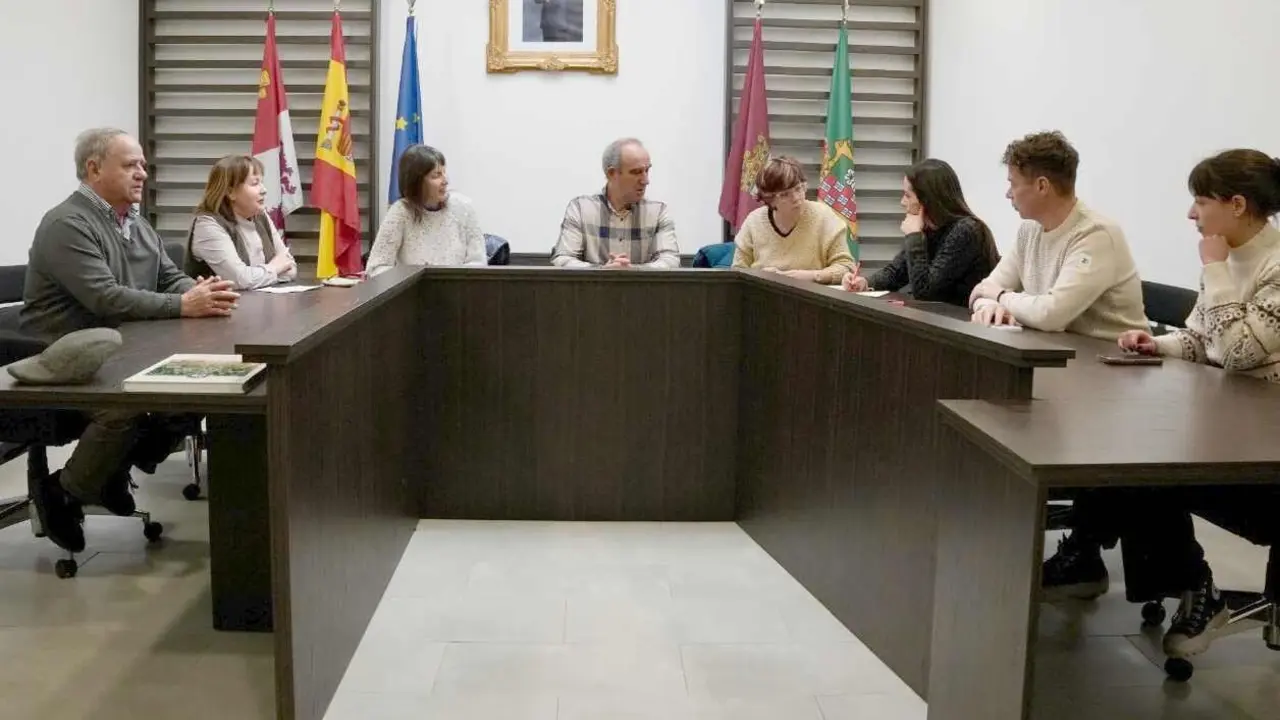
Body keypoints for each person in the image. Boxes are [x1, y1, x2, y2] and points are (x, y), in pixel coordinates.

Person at [1045, 150, 1280, 662]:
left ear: (1236, 204)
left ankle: (1172, 582)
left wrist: (1215, 271)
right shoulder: (1227, 259)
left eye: (1199, 202)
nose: (1191, 216)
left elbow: (1240, 353)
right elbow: (1203, 339)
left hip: (1265, 453)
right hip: (1227, 427)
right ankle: (1195, 585)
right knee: (1123, 459)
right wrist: (1161, 344)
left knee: (1146, 469)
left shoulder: (1270, 266)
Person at [20, 127, 239, 554]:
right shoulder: (67, 223)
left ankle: (111, 472)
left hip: (122, 351)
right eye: (130, 165)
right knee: (130, 405)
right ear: (94, 168)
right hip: (69, 360)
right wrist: (183, 306)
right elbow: (105, 298)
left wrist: (203, 292)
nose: (142, 172)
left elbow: (167, 276)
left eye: (142, 164)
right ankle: (64, 491)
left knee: (202, 391)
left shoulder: (133, 221)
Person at [968, 131, 1148, 338]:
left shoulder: (1096, 235)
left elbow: (1050, 315)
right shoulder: (1029, 230)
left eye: (1013, 184)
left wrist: (1000, 297)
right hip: (1057, 352)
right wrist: (987, 307)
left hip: (1112, 360)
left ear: (1042, 186)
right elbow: (986, 287)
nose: (1008, 194)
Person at [841, 158, 1000, 306]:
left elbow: (926, 292)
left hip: (965, 325)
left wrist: (914, 237)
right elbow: (895, 273)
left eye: (907, 195)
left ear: (928, 200)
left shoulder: (967, 230)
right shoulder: (930, 227)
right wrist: (865, 283)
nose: (902, 202)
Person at [551, 138, 680, 269]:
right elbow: (563, 259)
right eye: (636, 172)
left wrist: (634, 271)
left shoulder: (658, 212)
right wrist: (602, 271)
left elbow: (671, 261)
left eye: (647, 170)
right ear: (611, 173)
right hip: (593, 289)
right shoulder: (580, 209)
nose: (645, 180)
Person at [731, 156, 856, 284]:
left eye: (798, 188)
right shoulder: (754, 222)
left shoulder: (824, 217)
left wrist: (812, 276)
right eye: (785, 194)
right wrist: (760, 276)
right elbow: (737, 272)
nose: (796, 198)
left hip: (813, 298)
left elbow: (846, 267)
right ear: (769, 199)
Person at [366, 145, 486, 277]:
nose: (445, 181)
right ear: (416, 182)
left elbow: (478, 263)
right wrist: (408, 280)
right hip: (413, 294)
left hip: (457, 292)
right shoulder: (401, 212)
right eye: (436, 175)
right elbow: (376, 267)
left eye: (444, 173)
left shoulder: (464, 208)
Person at [186, 154, 297, 290]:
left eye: (262, 182)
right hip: (222, 308)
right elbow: (239, 280)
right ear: (230, 192)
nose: (264, 190)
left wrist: (259, 277)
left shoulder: (261, 216)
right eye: (255, 183)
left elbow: (290, 267)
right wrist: (275, 268)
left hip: (260, 304)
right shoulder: (207, 225)